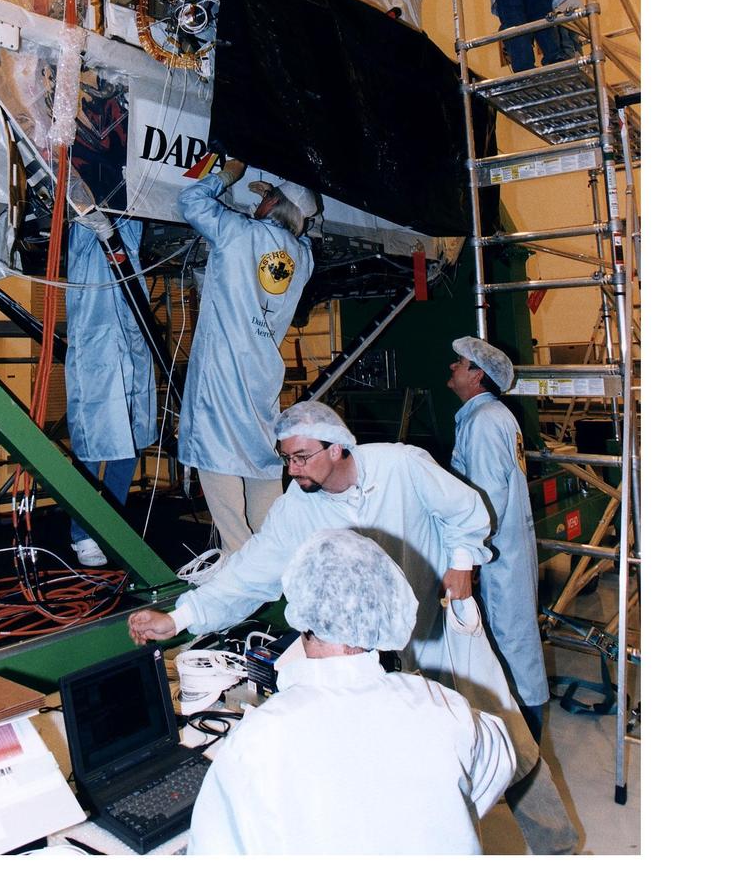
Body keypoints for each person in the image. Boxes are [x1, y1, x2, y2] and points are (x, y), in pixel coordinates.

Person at [130, 399, 579, 854]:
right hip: (367, 658)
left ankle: (559, 850)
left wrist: (463, 562)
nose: (292, 469)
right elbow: (248, 574)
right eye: (286, 458)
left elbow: (466, 510)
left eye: (301, 457)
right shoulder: (297, 508)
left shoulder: (402, 467)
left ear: (338, 448)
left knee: (507, 739)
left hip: (440, 632)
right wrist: (179, 618)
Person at [187, 528, 515, 855]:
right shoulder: (442, 706)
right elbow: (499, 762)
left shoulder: (256, 741)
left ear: (301, 613)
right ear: (385, 604)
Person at [177, 159, 317, 556]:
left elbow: (190, 200)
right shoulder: (303, 258)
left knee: (214, 449)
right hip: (262, 370)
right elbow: (286, 238)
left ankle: (237, 559)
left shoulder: (239, 233)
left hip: (225, 364)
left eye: (267, 198)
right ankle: (275, 554)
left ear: (271, 205)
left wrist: (229, 176)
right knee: (259, 456)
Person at [449, 336, 549, 741]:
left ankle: (525, 746)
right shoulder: (488, 416)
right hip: (502, 554)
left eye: (459, 364)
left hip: (496, 559)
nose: (452, 369)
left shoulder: (486, 421)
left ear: (477, 374)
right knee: (513, 643)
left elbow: (487, 498)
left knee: (510, 647)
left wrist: (466, 562)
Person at [63, 215, 157, 566]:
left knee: (129, 441)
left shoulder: (130, 222)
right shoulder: (84, 232)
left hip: (131, 339)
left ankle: (112, 524)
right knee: (91, 443)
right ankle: (83, 533)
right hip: (97, 344)